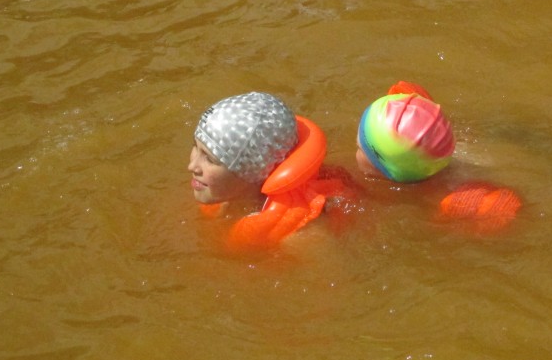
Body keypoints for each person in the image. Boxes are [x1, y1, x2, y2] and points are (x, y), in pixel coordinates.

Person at [189, 92, 352, 251]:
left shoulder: (302, 237)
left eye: (210, 159)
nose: (192, 166)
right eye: (195, 147)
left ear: (253, 169)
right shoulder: (221, 192)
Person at [356, 81, 523, 231]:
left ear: (387, 170)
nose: (355, 148)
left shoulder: (434, 200)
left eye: (360, 148)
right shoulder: (443, 152)